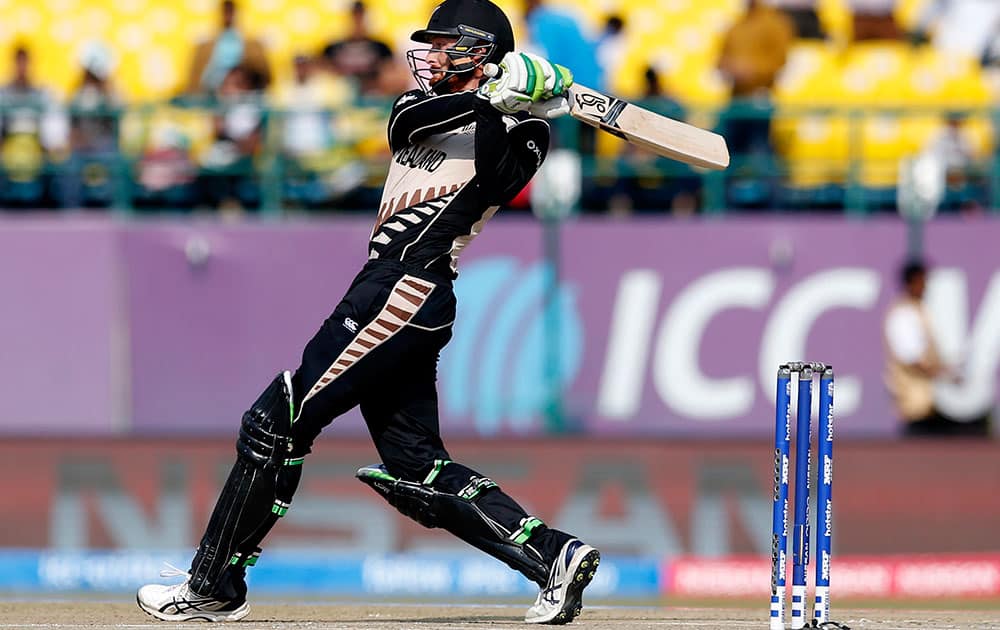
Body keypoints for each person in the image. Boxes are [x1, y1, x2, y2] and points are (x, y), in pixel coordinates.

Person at [137, 0, 600, 625]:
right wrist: (497, 94)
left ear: (480, 51)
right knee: (415, 469)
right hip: (394, 290)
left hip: (407, 288)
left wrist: (518, 104)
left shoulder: (528, 132)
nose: (429, 55)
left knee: (278, 421)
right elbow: (405, 131)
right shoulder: (416, 106)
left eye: (443, 45)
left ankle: (214, 583)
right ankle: (554, 558)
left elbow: (495, 176)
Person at [883, 260, 971, 436]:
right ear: (911, 282)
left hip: (931, 408)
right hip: (915, 409)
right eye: (922, 281)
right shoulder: (902, 315)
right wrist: (946, 374)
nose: (925, 286)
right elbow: (912, 360)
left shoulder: (920, 310)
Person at [185, 0, 270, 97]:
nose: (228, 16)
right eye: (225, 12)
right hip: (210, 94)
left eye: (231, 12)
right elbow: (194, 78)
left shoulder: (253, 45)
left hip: (244, 96)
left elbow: (263, 76)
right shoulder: (205, 46)